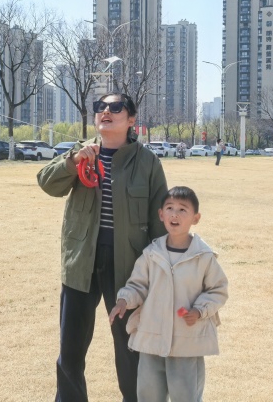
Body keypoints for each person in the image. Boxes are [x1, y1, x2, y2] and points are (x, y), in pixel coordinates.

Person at [37, 92, 168, 402]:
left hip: (128, 267)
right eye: (100, 107)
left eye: (116, 107)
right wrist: (73, 162)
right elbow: (46, 182)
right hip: (81, 261)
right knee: (70, 349)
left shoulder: (147, 161)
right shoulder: (81, 153)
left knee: (130, 348)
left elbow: (159, 220)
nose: (106, 111)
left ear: (131, 119)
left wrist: (158, 274)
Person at [109, 186, 228, 402]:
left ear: (196, 218)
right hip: (151, 339)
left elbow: (217, 290)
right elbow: (138, 285)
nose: (175, 214)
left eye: (183, 209)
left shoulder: (203, 257)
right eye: (170, 208)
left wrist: (199, 311)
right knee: (148, 395)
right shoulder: (151, 254)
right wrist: (124, 300)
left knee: (185, 396)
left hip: (186, 342)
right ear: (161, 214)